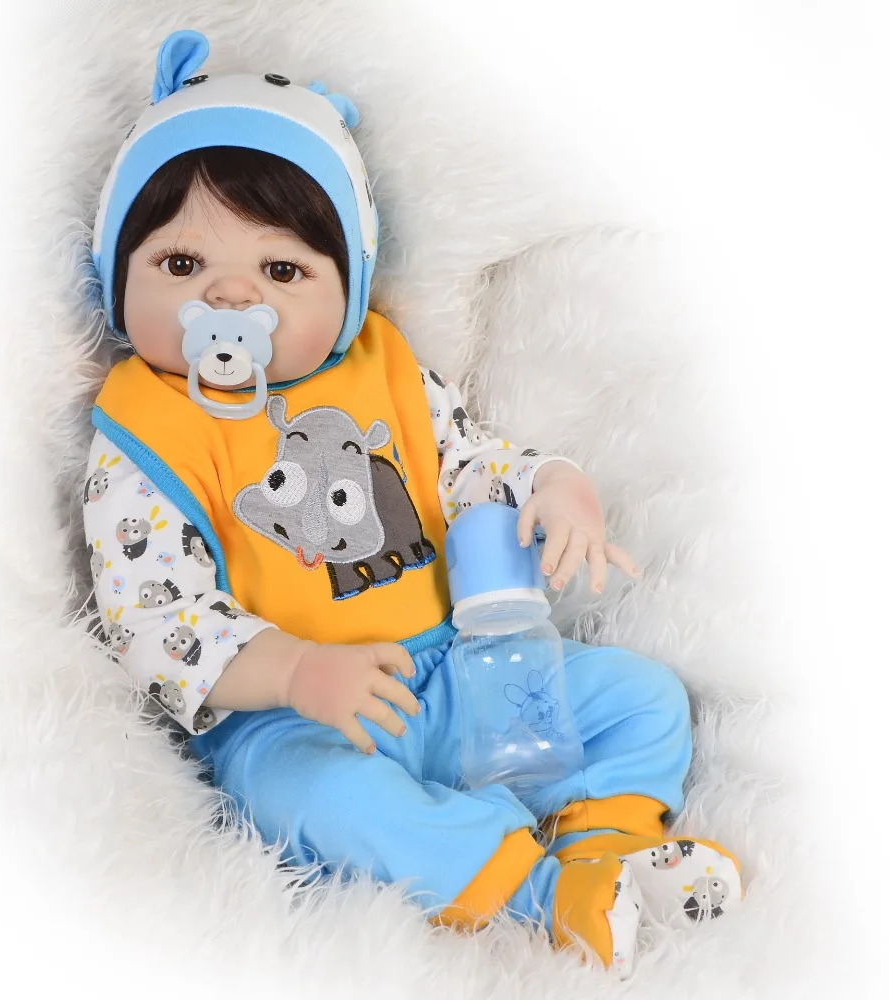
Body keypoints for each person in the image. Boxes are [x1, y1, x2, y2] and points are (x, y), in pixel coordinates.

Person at [81, 29, 743, 977]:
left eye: (281, 271)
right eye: (181, 266)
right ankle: (541, 896)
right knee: (313, 801)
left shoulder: (381, 369)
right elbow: (153, 621)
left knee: (640, 697)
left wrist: (550, 485)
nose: (229, 300)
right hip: (298, 716)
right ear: (116, 278)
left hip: (460, 671)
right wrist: (295, 673)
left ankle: (610, 847)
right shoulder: (142, 436)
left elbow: (465, 463)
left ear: (348, 293)